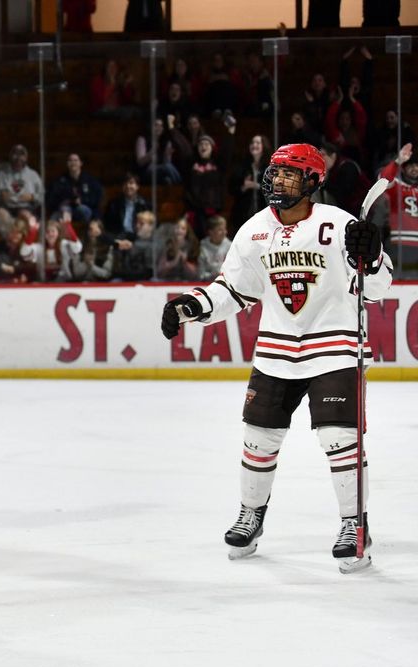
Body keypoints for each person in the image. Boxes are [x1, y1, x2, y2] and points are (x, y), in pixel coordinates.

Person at [161, 143, 392, 573]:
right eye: (276, 172)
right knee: (258, 439)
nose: (278, 180)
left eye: (290, 173)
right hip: (276, 351)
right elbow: (232, 291)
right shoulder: (253, 231)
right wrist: (191, 305)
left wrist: (372, 256)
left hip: (333, 347)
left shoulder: (339, 224)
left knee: (339, 438)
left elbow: (378, 287)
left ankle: (353, 525)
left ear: (312, 181)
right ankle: (251, 514)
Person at [0, 144, 43, 235]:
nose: (18, 158)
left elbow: (42, 196)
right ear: (10, 156)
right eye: (15, 154)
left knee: (27, 216)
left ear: (26, 158)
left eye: (21, 154)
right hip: (5, 207)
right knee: (1, 214)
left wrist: (32, 197)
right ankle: (10, 243)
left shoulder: (33, 175)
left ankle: (24, 245)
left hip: (25, 207)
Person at [378, 142, 418, 253]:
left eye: (416, 165)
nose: (414, 168)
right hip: (399, 242)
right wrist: (398, 161)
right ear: (404, 169)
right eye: (410, 165)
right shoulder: (396, 186)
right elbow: (383, 180)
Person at [46, 153, 104, 224]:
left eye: (75, 160)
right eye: (70, 160)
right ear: (67, 164)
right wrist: (65, 204)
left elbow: (98, 196)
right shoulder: (60, 180)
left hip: (83, 210)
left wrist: (83, 200)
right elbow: (52, 198)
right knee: (54, 218)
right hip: (64, 210)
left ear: (81, 163)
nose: (73, 163)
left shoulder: (89, 180)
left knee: (82, 210)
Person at [314, 142, 369, 214]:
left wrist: (325, 181)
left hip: (364, 209)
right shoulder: (330, 171)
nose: (320, 159)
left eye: (323, 155)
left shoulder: (348, 167)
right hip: (348, 209)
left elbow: (344, 193)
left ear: (333, 156)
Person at [228, 134, 268, 234]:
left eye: (258, 143)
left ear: (264, 146)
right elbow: (231, 189)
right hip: (243, 214)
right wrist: (243, 187)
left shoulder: (269, 167)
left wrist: (257, 186)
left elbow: (274, 189)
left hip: (264, 213)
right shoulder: (242, 166)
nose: (254, 145)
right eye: (252, 143)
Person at [0, 214, 31, 283]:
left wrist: (21, 274)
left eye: (18, 233)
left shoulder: (25, 250)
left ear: (23, 234)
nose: (15, 235)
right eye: (13, 232)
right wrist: (0, 265)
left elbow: (27, 268)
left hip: (16, 286)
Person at [196, 215, 229, 281]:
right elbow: (200, 275)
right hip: (207, 285)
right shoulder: (203, 247)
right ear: (211, 232)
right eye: (220, 230)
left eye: (224, 229)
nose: (224, 232)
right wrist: (213, 275)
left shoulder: (229, 246)